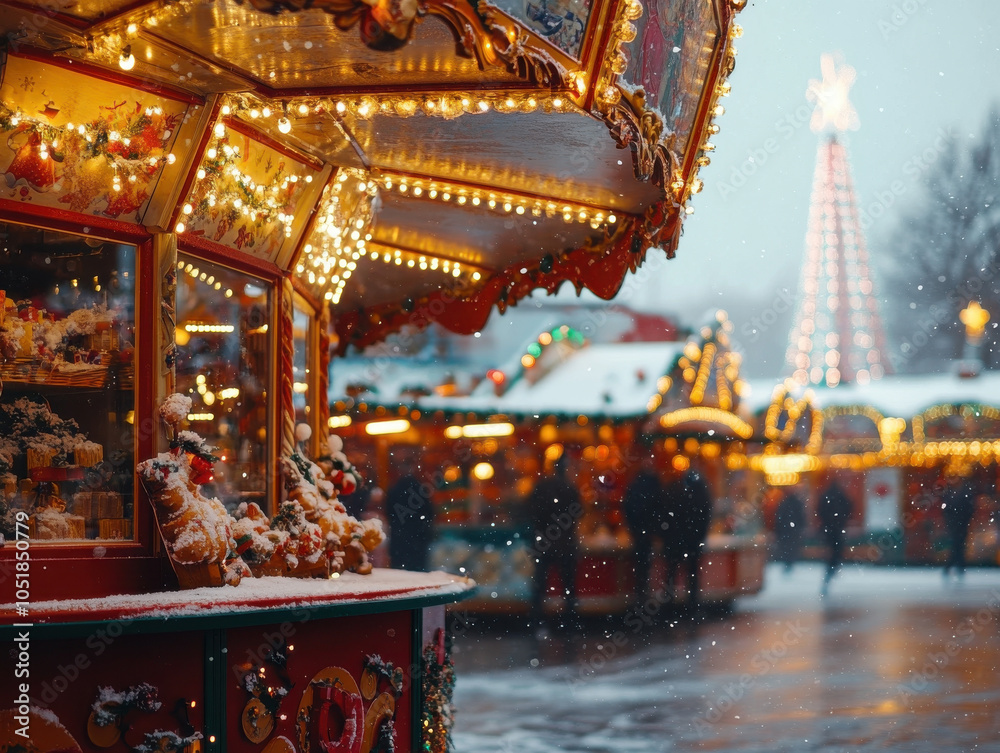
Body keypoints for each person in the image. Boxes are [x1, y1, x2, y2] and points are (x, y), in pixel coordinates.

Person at [527, 453, 581, 627]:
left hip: (545, 542)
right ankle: (569, 620)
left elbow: (532, 511)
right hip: (564, 543)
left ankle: (537, 620)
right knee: (568, 584)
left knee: (540, 584)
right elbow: (578, 512)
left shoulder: (542, 487)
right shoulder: (569, 488)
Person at [661, 465, 713, 612]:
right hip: (691, 540)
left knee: (672, 573)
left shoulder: (673, 490)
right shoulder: (700, 492)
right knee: (692, 574)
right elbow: (705, 515)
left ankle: (669, 606)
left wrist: (667, 534)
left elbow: (665, 514)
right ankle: (692, 606)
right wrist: (699, 536)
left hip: (675, 540)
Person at [622, 454, 662, 607]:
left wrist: (633, 528)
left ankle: (640, 594)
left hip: (639, 532)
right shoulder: (654, 484)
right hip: (647, 531)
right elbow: (659, 507)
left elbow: (629, 507)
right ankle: (644, 594)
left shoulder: (635, 484)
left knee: (640, 565)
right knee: (645, 565)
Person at [385, 464, 435, 571]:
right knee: (418, 569)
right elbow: (430, 512)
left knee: (399, 569)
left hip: (399, 535)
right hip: (418, 536)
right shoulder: (421, 488)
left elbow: (389, 512)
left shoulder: (395, 489)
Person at [817, 478, 851, 596]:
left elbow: (820, 509)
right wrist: (842, 520)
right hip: (837, 527)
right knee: (837, 549)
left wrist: (825, 521)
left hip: (828, 528)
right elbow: (849, 507)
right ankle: (834, 566)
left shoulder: (826, 496)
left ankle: (832, 566)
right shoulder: (841, 496)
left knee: (830, 549)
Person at [941, 473, 976, 579]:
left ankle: (954, 565)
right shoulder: (952, 493)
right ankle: (958, 565)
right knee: (958, 545)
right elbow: (947, 509)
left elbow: (969, 509)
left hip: (960, 524)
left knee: (958, 545)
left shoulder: (962, 493)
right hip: (955, 524)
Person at [774, 485, 806, 573]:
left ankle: (788, 561)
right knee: (791, 546)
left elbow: (780, 517)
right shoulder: (796, 503)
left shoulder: (784, 502)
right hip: (792, 529)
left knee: (787, 547)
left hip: (786, 529)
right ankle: (790, 561)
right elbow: (801, 516)